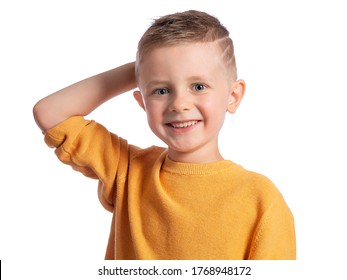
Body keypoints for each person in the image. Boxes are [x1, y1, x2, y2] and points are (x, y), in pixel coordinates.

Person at [33, 10, 296, 260]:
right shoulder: (127, 170)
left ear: (233, 96)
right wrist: (140, 69)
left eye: (198, 86)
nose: (179, 104)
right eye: (160, 90)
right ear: (142, 102)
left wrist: (156, 70)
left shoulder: (261, 199)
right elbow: (50, 113)